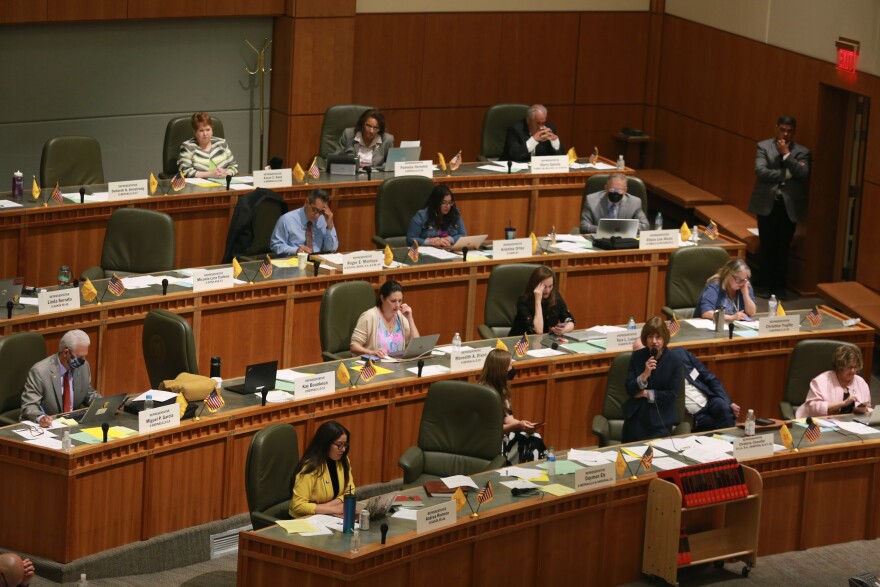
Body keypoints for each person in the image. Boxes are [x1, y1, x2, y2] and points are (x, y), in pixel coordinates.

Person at [747, 115, 811, 299]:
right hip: (767, 204)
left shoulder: (802, 152)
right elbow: (761, 172)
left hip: (788, 207)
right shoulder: (763, 146)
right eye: (782, 129)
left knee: (783, 248)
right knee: (767, 245)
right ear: (776, 128)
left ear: (794, 132)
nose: (785, 133)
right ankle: (765, 284)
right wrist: (786, 174)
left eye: (789, 130)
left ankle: (779, 286)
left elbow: (802, 172)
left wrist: (786, 154)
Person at [634, 338, 740, 432]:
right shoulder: (644, 374)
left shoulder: (680, 354)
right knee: (717, 422)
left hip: (709, 401)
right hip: (690, 416)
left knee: (724, 407)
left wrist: (728, 401)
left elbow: (709, 377)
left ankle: (730, 449)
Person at [479, 348, 546, 464]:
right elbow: (490, 430)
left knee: (533, 436)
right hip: (488, 440)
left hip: (501, 433)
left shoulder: (502, 389)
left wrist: (524, 425)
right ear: (501, 370)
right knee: (533, 440)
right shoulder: (485, 394)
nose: (512, 369)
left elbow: (508, 418)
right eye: (510, 366)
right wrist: (517, 426)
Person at [623, 317, 684, 442]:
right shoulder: (637, 357)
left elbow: (671, 395)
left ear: (664, 338)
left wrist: (646, 393)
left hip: (660, 421)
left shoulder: (675, 361)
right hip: (636, 417)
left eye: (658, 337)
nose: (654, 341)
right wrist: (644, 375)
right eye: (650, 337)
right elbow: (629, 389)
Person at [20, 329, 97, 427]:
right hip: (50, 426)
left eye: (85, 357)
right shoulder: (40, 372)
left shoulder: (83, 367)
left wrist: (107, 405)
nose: (83, 361)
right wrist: (41, 418)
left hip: (74, 424)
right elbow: (29, 406)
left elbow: (88, 393)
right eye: (80, 357)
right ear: (66, 353)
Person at [289, 420, 355, 518]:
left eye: (345, 444)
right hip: (305, 519)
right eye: (339, 445)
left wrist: (327, 507)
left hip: (328, 516)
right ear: (326, 443)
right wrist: (332, 509)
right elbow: (297, 505)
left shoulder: (343, 461)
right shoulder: (310, 467)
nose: (343, 449)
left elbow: (350, 491)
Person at [796, 345, 873, 418]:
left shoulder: (861, 382)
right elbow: (812, 408)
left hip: (853, 424)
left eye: (855, 367)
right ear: (839, 366)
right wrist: (843, 404)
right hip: (819, 424)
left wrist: (863, 410)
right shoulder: (820, 381)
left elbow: (868, 408)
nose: (853, 371)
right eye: (849, 367)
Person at [350, 280, 420, 358]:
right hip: (375, 366)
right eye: (393, 301)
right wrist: (372, 352)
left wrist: (410, 319)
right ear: (382, 298)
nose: (397, 305)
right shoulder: (369, 316)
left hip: (398, 365)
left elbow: (416, 347)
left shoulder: (401, 316)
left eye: (400, 301)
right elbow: (354, 346)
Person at [509, 266, 575, 336]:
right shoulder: (523, 302)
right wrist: (538, 301)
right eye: (544, 287)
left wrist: (564, 329)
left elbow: (570, 322)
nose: (548, 291)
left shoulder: (555, 296)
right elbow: (538, 331)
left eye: (550, 286)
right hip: (521, 342)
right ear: (535, 285)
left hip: (545, 341)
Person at [269, 189, 338, 255]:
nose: (317, 215)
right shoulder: (287, 219)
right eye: (315, 210)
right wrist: (296, 250)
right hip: (294, 261)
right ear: (306, 203)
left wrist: (329, 226)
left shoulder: (323, 219)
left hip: (318, 262)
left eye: (320, 212)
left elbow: (331, 250)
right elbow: (275, 246)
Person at [579, 172, 650, 234]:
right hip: (598, 239)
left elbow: (645, 226)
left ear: (625, 190)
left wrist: (621, 229)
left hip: (624, 241)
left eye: (619, 190)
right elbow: (584, 226)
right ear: (606, 188)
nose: (615, 193)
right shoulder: (591, 200)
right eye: (612, 189)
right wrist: (605, 229)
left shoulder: (634, 202)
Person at [177, 112, 239, 178]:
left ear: (212, 130)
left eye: (208, 130)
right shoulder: (188, 147)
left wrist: (226, 173)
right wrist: (211, 174)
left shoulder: (221, 143)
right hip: (199, 186)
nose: (205, 134)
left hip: (224, 184)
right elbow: (185, 171)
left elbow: (234, 167)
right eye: (201, 130)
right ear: (195, 132)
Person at [500, 104, 565, 163]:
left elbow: (561, 159)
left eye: (543, 123)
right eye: (538, 123)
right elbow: (515, 155)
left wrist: (555, 142)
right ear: (528, 120)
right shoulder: (515, 130)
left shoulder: (549, 128)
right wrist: (533, 140)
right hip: (513, 171)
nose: (541, 127)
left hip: (539, 171)